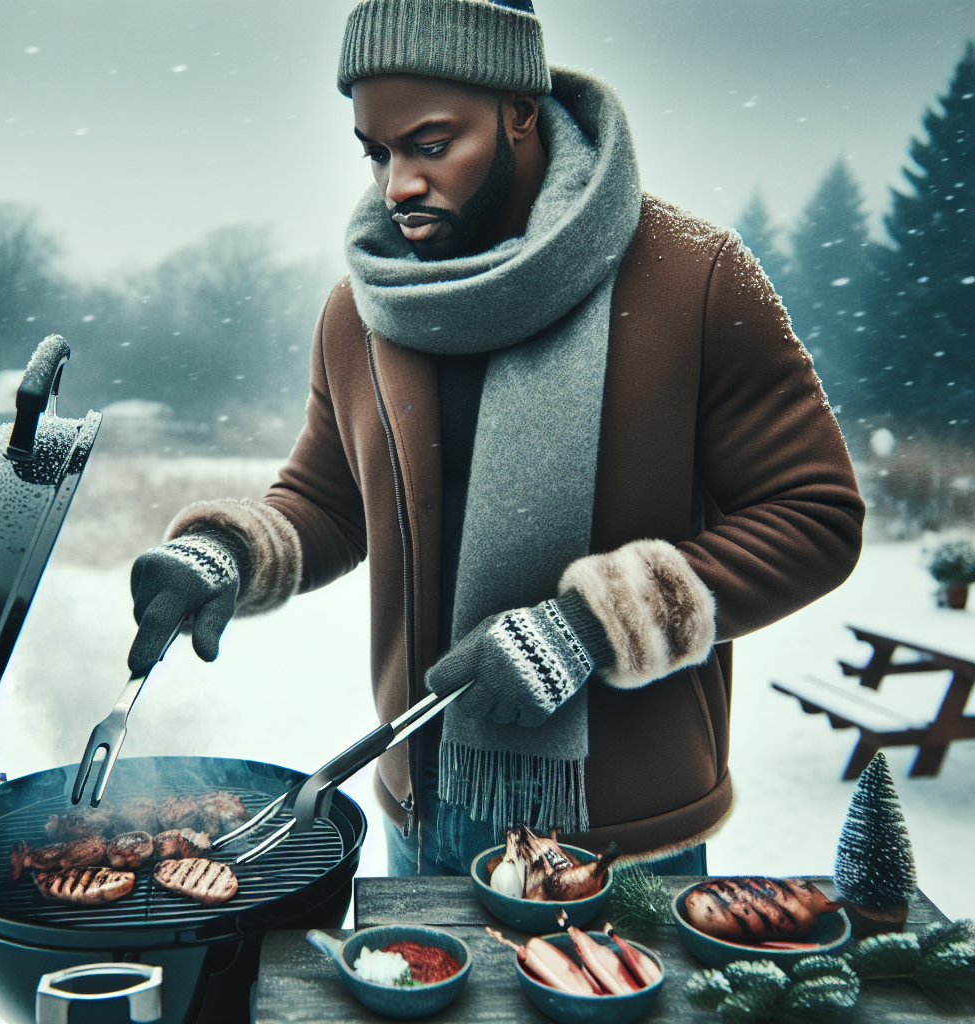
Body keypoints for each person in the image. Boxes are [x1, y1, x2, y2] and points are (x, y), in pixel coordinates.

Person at [127, 0, 864, 878]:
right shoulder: (362, 311)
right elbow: (329, 501)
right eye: (377, 151)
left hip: (623, 829)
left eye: (430, 144)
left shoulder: (694, 277)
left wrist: (590, 626)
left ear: (520, 110)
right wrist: (226, 553)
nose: (398, 183)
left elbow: (815, 516)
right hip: (422, 807)